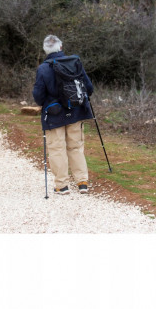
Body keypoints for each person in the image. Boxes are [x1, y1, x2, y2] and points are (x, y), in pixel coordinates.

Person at [32, 35, 94, 195]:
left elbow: (38, 96)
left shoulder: (43, 69)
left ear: (45, 50)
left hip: (54, 114)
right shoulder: (75, 62)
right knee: (75, 146)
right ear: (61, 47)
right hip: (76, 111)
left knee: (57, 149)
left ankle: (62, 185)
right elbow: (89, 88)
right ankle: (82, 182)